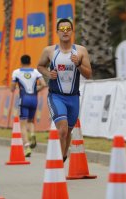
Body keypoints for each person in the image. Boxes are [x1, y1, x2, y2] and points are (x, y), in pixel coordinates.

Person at [37, 18, 92, 162]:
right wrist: (49, 74)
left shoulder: (80, 51)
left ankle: (63, 155)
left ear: (72, 31)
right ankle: (58, 164)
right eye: (62, 29)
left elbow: (88, 74)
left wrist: (78, 64)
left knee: (68, 132)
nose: (65, 32)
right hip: (56, 96)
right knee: (62, 130)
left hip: (73, 97)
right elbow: (40, 66)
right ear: (57, 32)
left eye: (68, 29)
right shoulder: (49, 51)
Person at [11, 55, 47, 157]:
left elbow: (12, 88)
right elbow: (44, 84)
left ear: (21, 62)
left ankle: (27, 147)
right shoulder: (36, 72)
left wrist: (14, 88)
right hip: (34, 99)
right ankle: (32, 134)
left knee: (22, 124)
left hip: (24, 99)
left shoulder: (16, 72)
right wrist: (35, 90)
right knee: (31, 121)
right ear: (30, 61)